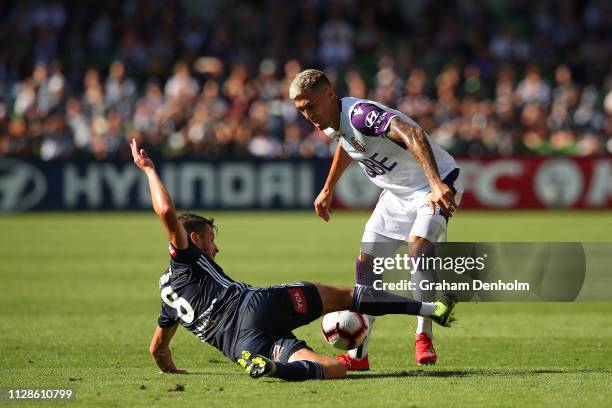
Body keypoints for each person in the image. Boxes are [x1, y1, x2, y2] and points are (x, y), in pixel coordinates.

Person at [130, 138, 458, 381]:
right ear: (195, 239)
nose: (216, 250)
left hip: (245, 345)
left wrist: (172, 370)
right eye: (212, 240)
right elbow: (165, 212)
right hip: (255, 306)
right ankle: (429, 309)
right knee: (345, 295)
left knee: (331, 370)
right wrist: (148, 170)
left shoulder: (168, 297)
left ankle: (276, 369)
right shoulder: (186, 257)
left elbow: (157, 350)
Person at [290, 69, 462, 370]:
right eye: (301, 109)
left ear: (330, 95)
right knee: (366, 264)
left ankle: (424, 334)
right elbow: (347, 145)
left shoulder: (360, 114)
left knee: (418, 247)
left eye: (311, 106)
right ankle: (358, 356)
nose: (308, 115)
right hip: (394, 195)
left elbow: (413, 134)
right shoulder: (330, 122)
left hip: (430, 185)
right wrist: (328, 188)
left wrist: (435, 183)